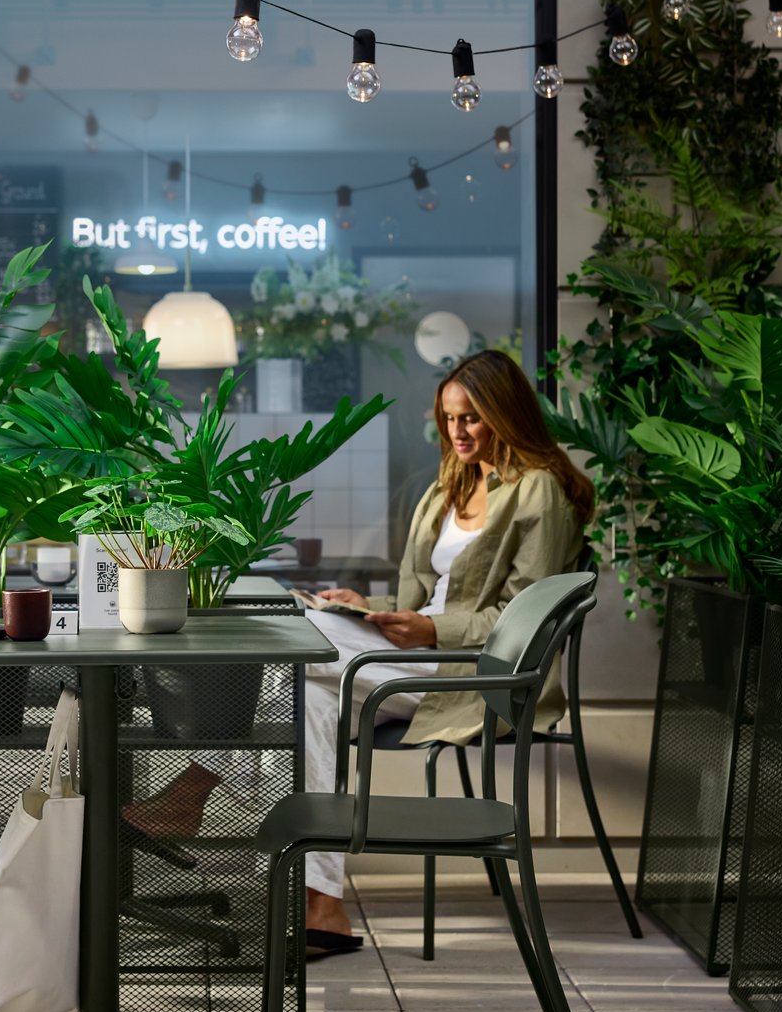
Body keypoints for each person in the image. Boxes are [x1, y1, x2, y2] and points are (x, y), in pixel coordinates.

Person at [123, 349, 594, 956]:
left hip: (475, 672)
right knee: (310, 693)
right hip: (413, 655)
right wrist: (364, 605)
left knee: (288, 646)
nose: (458, 432)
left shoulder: (539, 493)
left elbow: (525, 619)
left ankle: (190, 792)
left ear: (507, 414)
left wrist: (430, 632)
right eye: (450, 418)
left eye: (473, 418)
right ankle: (326, 908)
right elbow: (420, 597)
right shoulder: (449, 488)